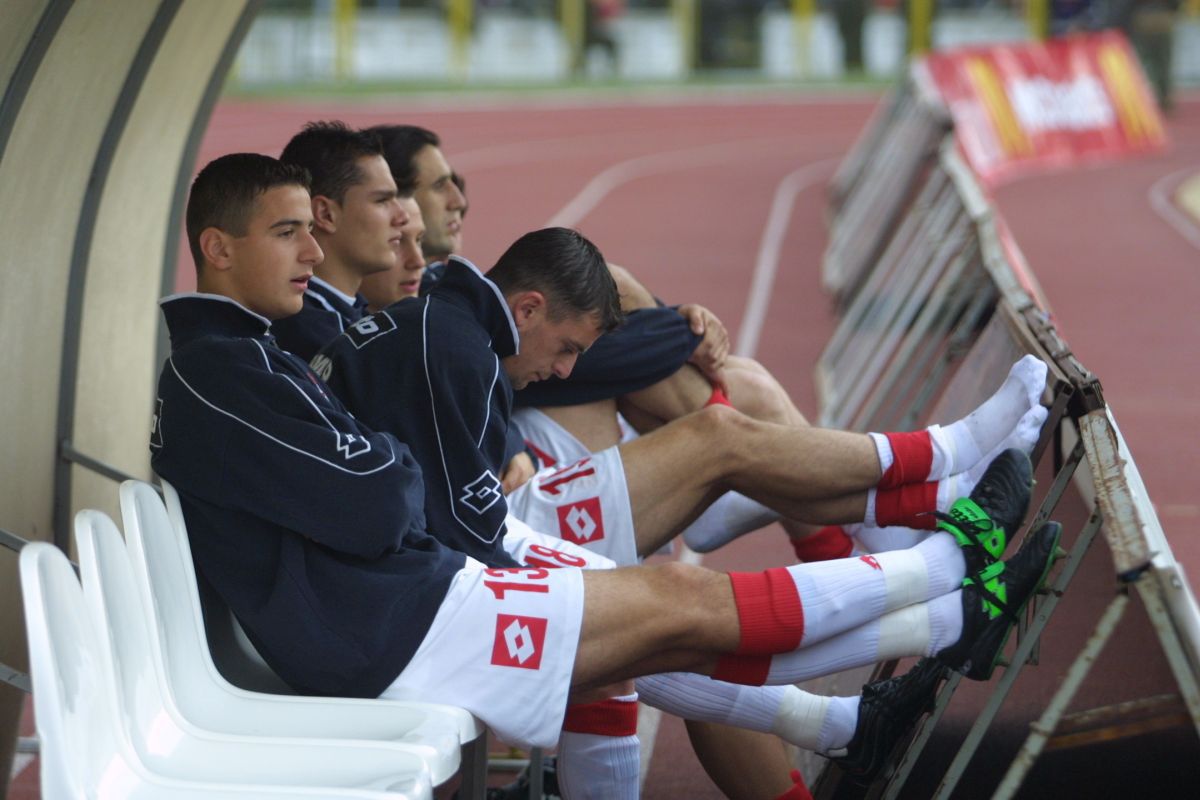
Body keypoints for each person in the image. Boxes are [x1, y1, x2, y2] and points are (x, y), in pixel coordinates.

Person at [152, 152, 1061, 792]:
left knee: (675, 610)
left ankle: (933, 614)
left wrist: (395, 469)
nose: (313, 249)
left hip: (411, 597)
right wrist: (399, 469)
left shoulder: (258, 350)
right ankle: (946, 546)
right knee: (690, 557)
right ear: (219, 248)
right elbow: (382, 496)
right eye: (289, 232)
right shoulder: (219, 369)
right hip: (397, 625)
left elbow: (382, 481)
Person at [270, 122, 410, 360]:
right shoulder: (314, 339)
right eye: (382, 200)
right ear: (325, 214)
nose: (402, 216)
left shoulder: (345, 314)